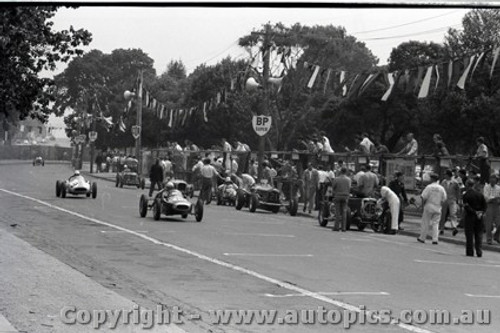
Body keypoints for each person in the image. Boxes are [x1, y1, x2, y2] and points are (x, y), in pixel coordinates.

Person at [418, 173, 447, 244]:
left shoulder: (429, 187)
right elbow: (444, 198)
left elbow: (423, 197)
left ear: (432, 179)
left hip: (429, 205)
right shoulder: (441, 188)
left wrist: (422, 205)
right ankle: (435, 239)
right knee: (436, 224)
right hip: (438, 206)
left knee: (425, 222)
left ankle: (422, 238)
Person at [463, 179, 487, 257]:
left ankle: (470, 251)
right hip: (479, 216)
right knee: (479, 234)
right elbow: (485, 205)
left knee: (469, 234)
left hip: (470, 216)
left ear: (467, 185)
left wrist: (474, 212)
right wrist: (481, 212)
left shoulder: (466, 195)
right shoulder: (480, 194)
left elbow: (466, 206)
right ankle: (479, 251)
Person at [439, 169, 460, 237]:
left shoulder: (455, 182)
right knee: (443, 215)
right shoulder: (443, 182)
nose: (444, 175)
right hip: (444, 200)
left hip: (452, 200)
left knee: (453, 214)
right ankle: (441, 228)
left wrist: (458, 200)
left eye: (445, 174)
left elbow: (458, 192)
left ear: (448, 175)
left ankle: (454, 227)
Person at [332, 167, 352, 232]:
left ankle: (336, 227)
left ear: (340, 171)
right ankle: (343, 228)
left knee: (337, 212)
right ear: (346, 172)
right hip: (345, 196)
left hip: (338, 196)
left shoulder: (336, 179)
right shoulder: (348, 179)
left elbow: (333, 187)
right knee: (344, 212)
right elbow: (349, 187)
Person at [483, 173, 500, 245]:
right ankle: (489, 239)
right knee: (488, 224)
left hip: (497, 206)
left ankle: (497, 236)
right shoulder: (486, 187)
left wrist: (496, 199)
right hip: (489, 206)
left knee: (498, 223)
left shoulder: (498, 188)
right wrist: (493, 198)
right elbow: (486, 197)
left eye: (494, 178)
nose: (492, 180)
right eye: (491, 178)